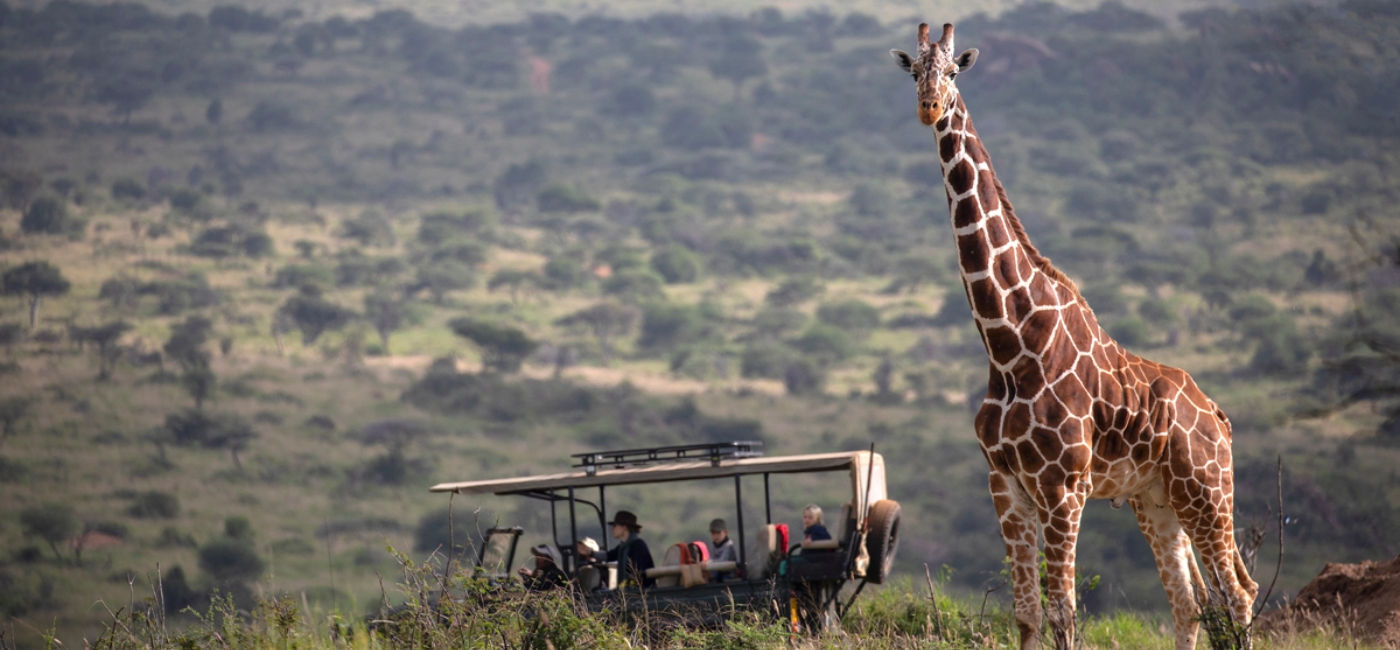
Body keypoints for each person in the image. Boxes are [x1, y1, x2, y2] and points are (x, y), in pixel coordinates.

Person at [579, 510, 654, 589]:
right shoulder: (623, 547)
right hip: (628, 590)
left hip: (639, 592)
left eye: (615, 526)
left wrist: (622, 589)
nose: (612, 529)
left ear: (624, 527)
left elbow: (636, 574)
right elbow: (609, 555)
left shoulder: (638, 545)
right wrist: (590, 553)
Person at [707, 518, 737, 582]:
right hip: (717, 574)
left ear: (726, 532)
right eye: (713, 533)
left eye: (718, 533)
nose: (715, 536)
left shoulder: (729, 546)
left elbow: (722, 561)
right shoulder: (713, 545)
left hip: (729, 576)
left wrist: (708, 563)